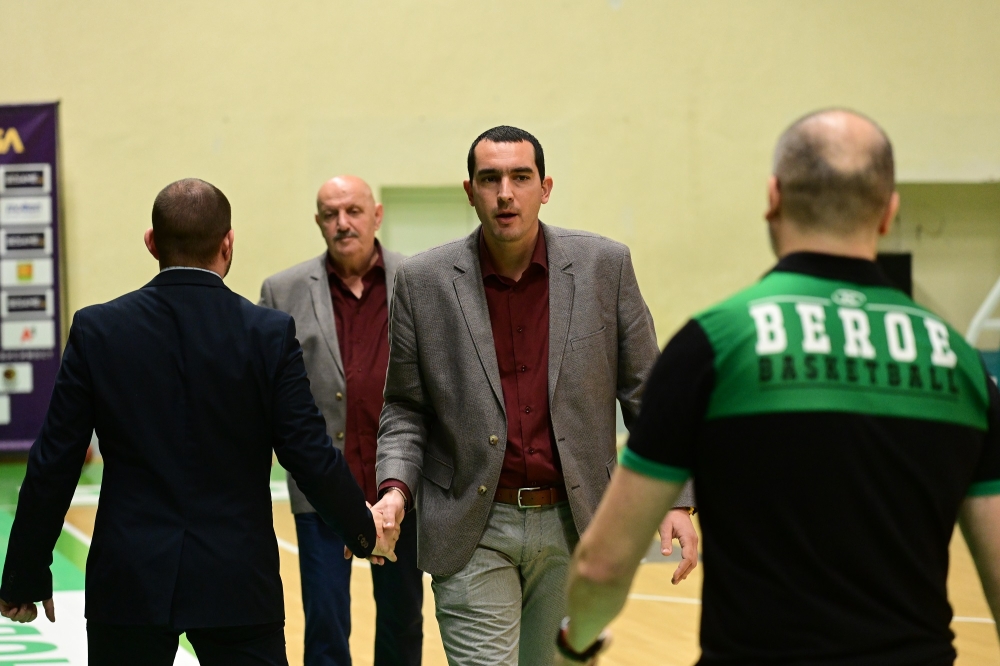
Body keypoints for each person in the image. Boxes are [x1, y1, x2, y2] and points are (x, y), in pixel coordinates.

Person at [560, 109, 1000, 665]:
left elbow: (603, 565)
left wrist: (574, 646)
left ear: (773, 197)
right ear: (889, 212)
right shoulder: (960, 364)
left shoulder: (713, 346)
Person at [0, 179, 397, 665]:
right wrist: (363, 530)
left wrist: (23, 575)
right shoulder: (267, 334)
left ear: (152, 243)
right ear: (228, 244)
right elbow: (308, 453)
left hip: (129, 580)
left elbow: (54, 462)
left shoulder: (97, 329)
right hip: (238, 581)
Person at [374, 126, 697, 666]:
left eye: (520, 177)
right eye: (490, 179)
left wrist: (677, 498)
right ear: (469, 191)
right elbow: (405, 407)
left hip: (576, 521)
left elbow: (648, 392)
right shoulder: (422, 281)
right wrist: (394, 490)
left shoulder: (604, 267)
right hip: (471, 525)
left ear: (545, 188)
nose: (506, 193)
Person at [260, 175, 422, 666]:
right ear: (318, 222)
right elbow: (266, 393)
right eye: (330, 214)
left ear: (377, 215)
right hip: (322, 489)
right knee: (325, 623)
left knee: (402, 619)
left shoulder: (418, 279)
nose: (342, 223)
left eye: (353, 211)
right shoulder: (283, 290)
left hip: (399, 486)